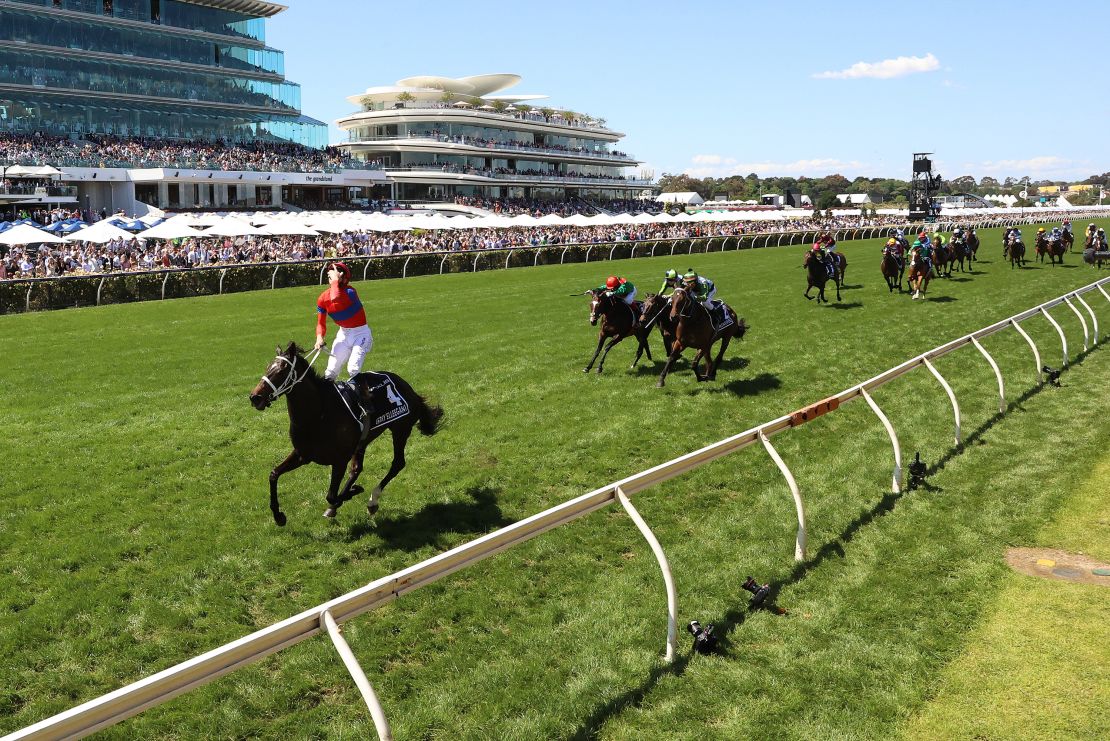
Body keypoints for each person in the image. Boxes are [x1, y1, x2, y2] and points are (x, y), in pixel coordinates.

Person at [314, 261, 373, 382]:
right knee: (330, 372)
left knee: (353, 369)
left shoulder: (350, 292)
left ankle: (364, 398)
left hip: (361, 334)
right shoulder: (322, 299)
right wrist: (319, 337)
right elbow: (320, 323)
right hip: (343, 335)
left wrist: (335, 281)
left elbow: (336, 297)